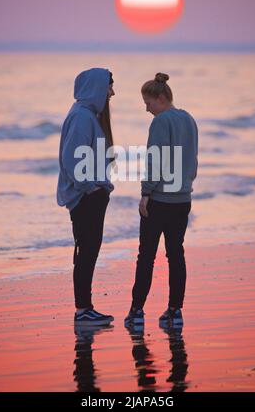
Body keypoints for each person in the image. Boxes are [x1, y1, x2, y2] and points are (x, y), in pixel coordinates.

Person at [125, 72, 198, 327]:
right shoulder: (189, 119)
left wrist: (146, 193)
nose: (147, 109)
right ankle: (175, 312)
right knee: (176, 254)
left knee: (146, 256)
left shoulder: (160, 122)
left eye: (148, 103)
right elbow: (193, 160)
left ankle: (136, 312)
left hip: (160, 200)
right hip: (183, 199)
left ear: (160, 98)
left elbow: (155, 160)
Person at [57, 68, 115, 326]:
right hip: (86, 197)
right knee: (86, 253)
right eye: (109, 87)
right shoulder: (82, 117)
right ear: (96, 88)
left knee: (88, 252)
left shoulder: (87, 115)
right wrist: (89, 186)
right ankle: (83, 311)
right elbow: (72, 159)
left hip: (91, 195)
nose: (112, 92)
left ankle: (86, 309)